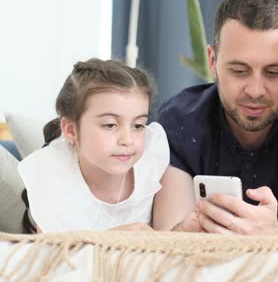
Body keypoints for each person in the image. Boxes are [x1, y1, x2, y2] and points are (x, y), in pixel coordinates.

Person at [154, 0, 278, 235]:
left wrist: (276, 240)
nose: (255, 90)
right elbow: (168, 243)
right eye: (239, 71)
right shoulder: (180, 121)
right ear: (212, 61)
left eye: (273, 72)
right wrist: (187, 232)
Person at [18, 59, 168, 232]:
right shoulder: (50, 174)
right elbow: (53, 254)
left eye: (138, 125)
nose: (128, 140)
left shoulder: (153, 155)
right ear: (71, 130)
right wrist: (111, 240)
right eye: (110, 125)